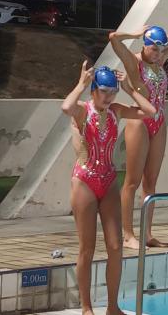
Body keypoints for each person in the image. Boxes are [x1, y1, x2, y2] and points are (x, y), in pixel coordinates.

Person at [61, 63, 156, 315]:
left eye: (113, 91)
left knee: (115, 246)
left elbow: (150, 111)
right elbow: (66, 107)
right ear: (94, 90)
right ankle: (86, 307)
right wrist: (80, 84)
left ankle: (113, 307)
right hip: (85, 181)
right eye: (104, 91)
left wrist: (129, 89)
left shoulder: (116, 110)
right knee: (87, 248)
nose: (109, 96)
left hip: (109, 180)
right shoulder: (83, 110)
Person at [108, 25, 168, 249]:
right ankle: (127, 235)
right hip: (140, 121)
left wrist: (161, 37)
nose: (158, 53)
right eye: (154, 48)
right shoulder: (134, 62)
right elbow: (114, 39)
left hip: (159, 121)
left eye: (161, 50)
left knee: (151, 182)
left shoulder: (159, 60)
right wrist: (137, 34)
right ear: (144, 45)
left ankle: (147, 233)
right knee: (132, 181)